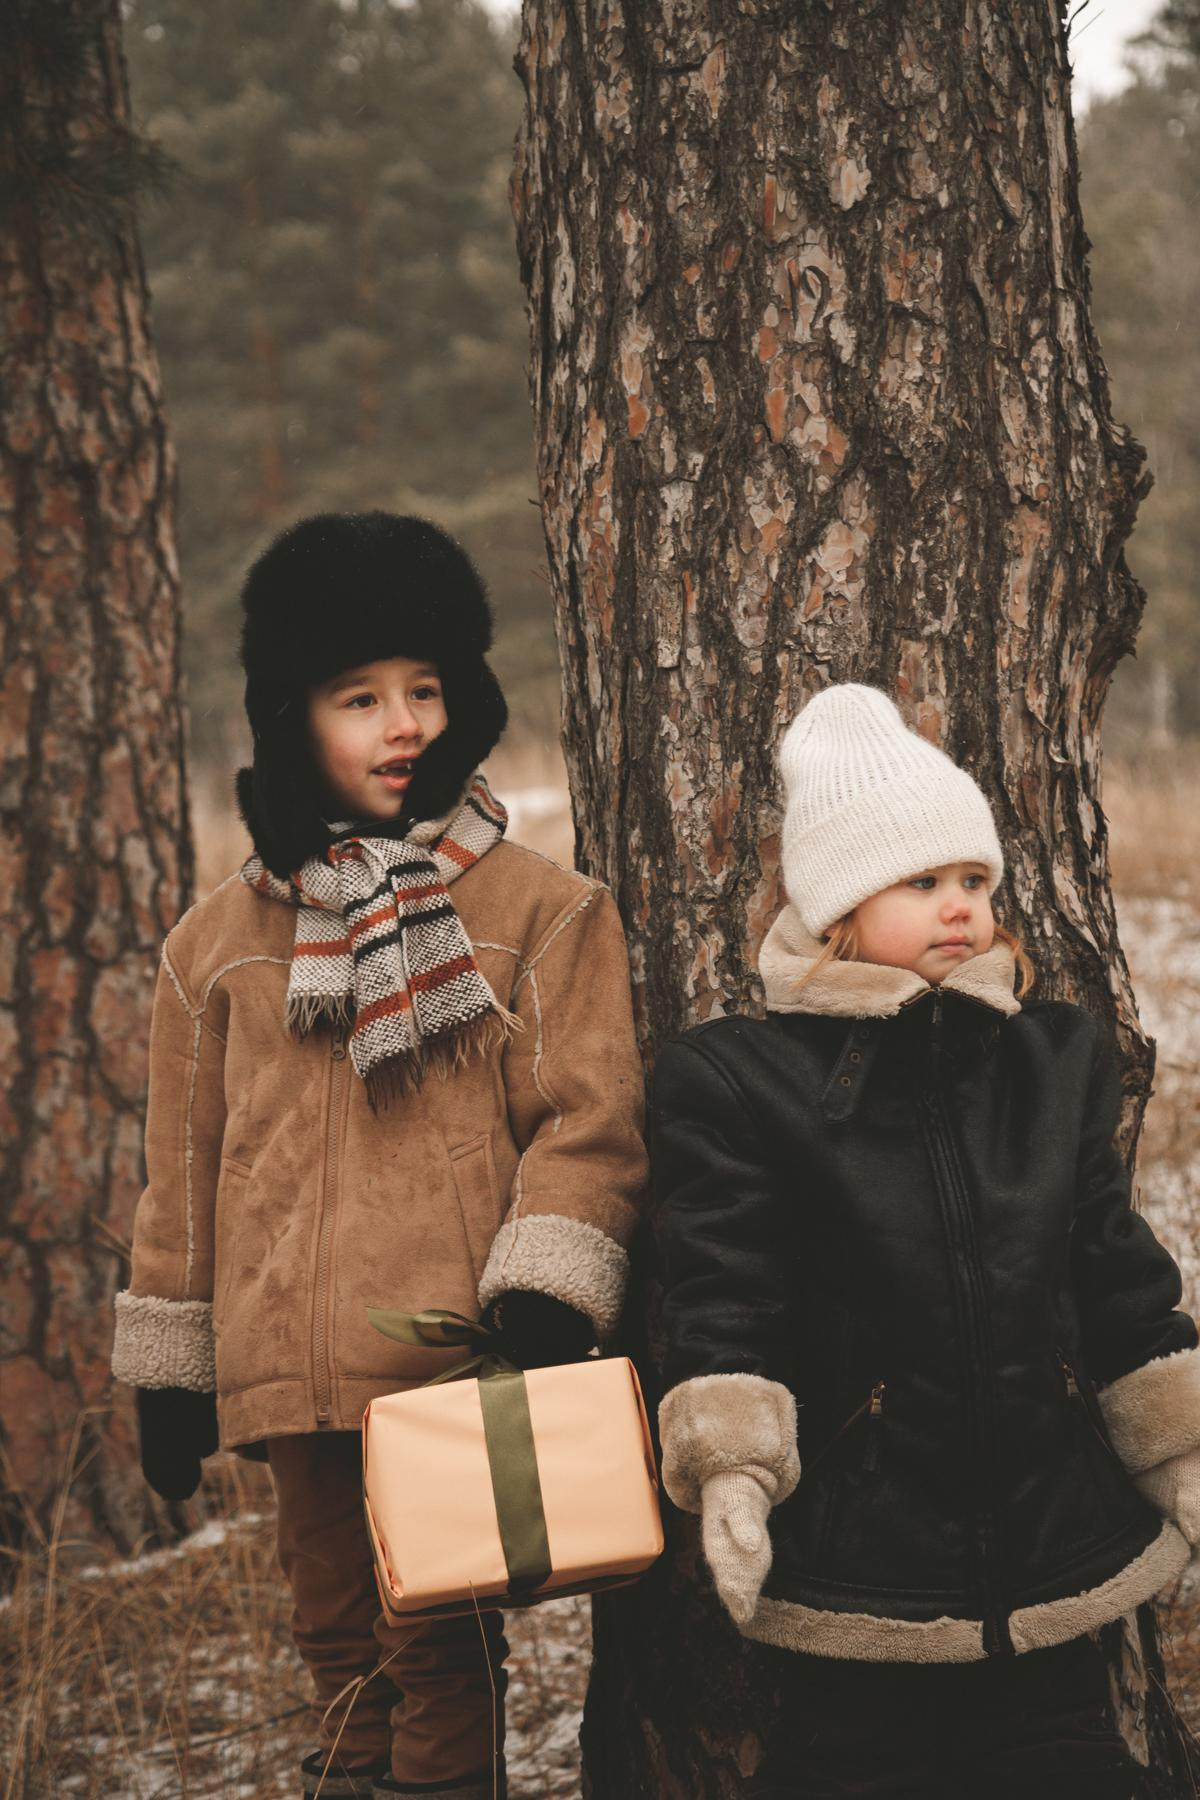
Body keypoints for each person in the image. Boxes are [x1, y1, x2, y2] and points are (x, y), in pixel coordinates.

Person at [110, 512, 647, 1800]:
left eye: (425, 690)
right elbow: (183, 1176)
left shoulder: (537, 910)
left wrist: (544, 1285)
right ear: (290, 712)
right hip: (286, 1370)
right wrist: (171, 1363)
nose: (402, 723)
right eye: (361, 697)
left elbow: (589, 1122)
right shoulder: (216, 946)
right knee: (334, 1636)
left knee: (438, 1645)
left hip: (443, 1360)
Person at [652, 683, 1200, 1799]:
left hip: (1054, 1546)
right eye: (920, 882)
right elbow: (723, 1292)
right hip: (859, 1566)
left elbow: (1110, 1263)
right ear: (839, 906)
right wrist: (735, 1473)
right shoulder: (740, 1084)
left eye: (973, 881)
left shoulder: (1049, 1061)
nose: (959, 906)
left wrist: (1177, 1448)